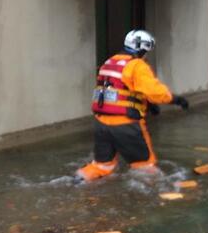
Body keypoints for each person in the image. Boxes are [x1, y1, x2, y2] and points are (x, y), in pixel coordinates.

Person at [76, 29, 188, 182]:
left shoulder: (109, 63)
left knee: (102, 166)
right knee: (145, 167)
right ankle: (150, 197)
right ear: (143, 48)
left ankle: (78, 181)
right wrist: (176, 99)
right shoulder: (137, 65)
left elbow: (120, 90)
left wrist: (147, 104)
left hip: (101, 124)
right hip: (126, 124)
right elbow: (154, 91)